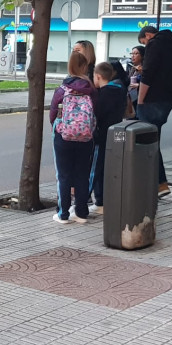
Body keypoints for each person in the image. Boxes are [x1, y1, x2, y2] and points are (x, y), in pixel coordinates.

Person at [49, 52, 96, 224]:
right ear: (85, 67)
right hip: (86, 137)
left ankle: (63, 214)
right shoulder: (91, 89)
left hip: (64, 136)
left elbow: (53, 112)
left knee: (64, 175)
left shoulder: (62, 89)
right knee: (82, 175)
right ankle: (82, 213)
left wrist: (58, 128)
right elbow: (95, 112)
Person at [136, 25, 172, 198]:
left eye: (144, 41)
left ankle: (158, 183)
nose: (145, 44)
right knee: (153, 139)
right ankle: (158, 183)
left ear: (148, 35)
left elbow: (148, 74)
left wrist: (140, 101)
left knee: (146, 142)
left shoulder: (155, 45)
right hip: (169, 99)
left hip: (153, 99)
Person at [90, 62, 127, 214]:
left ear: (98, 76)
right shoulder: (120, 90)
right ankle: (104, 201)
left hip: (101, 136)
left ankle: (96, 202)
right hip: (114, 135)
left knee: (95, 170)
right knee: (107, 170)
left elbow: (96, 115)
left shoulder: (102, 94)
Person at [127, 45, 145, 113]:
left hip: (141, 99)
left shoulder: (145, 68)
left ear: (142, 55)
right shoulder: (132, 68)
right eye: (132, 53)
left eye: (136, 53)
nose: (133, 56)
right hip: (131, 98)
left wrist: (139, 85)